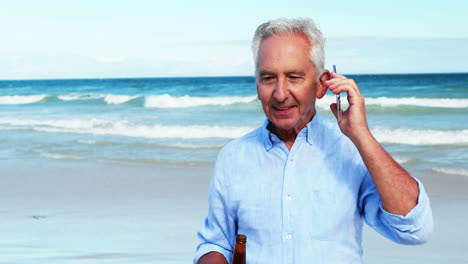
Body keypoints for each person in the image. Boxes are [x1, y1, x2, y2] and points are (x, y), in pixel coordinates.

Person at [194, 18, 433, 264]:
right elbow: (216, 243)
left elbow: (414, 229)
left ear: (321, 85)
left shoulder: (351, 152)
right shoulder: (233, 157)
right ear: (257, 84)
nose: (280, 94)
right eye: (268, 78)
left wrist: (361, 134)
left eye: (294, 77)